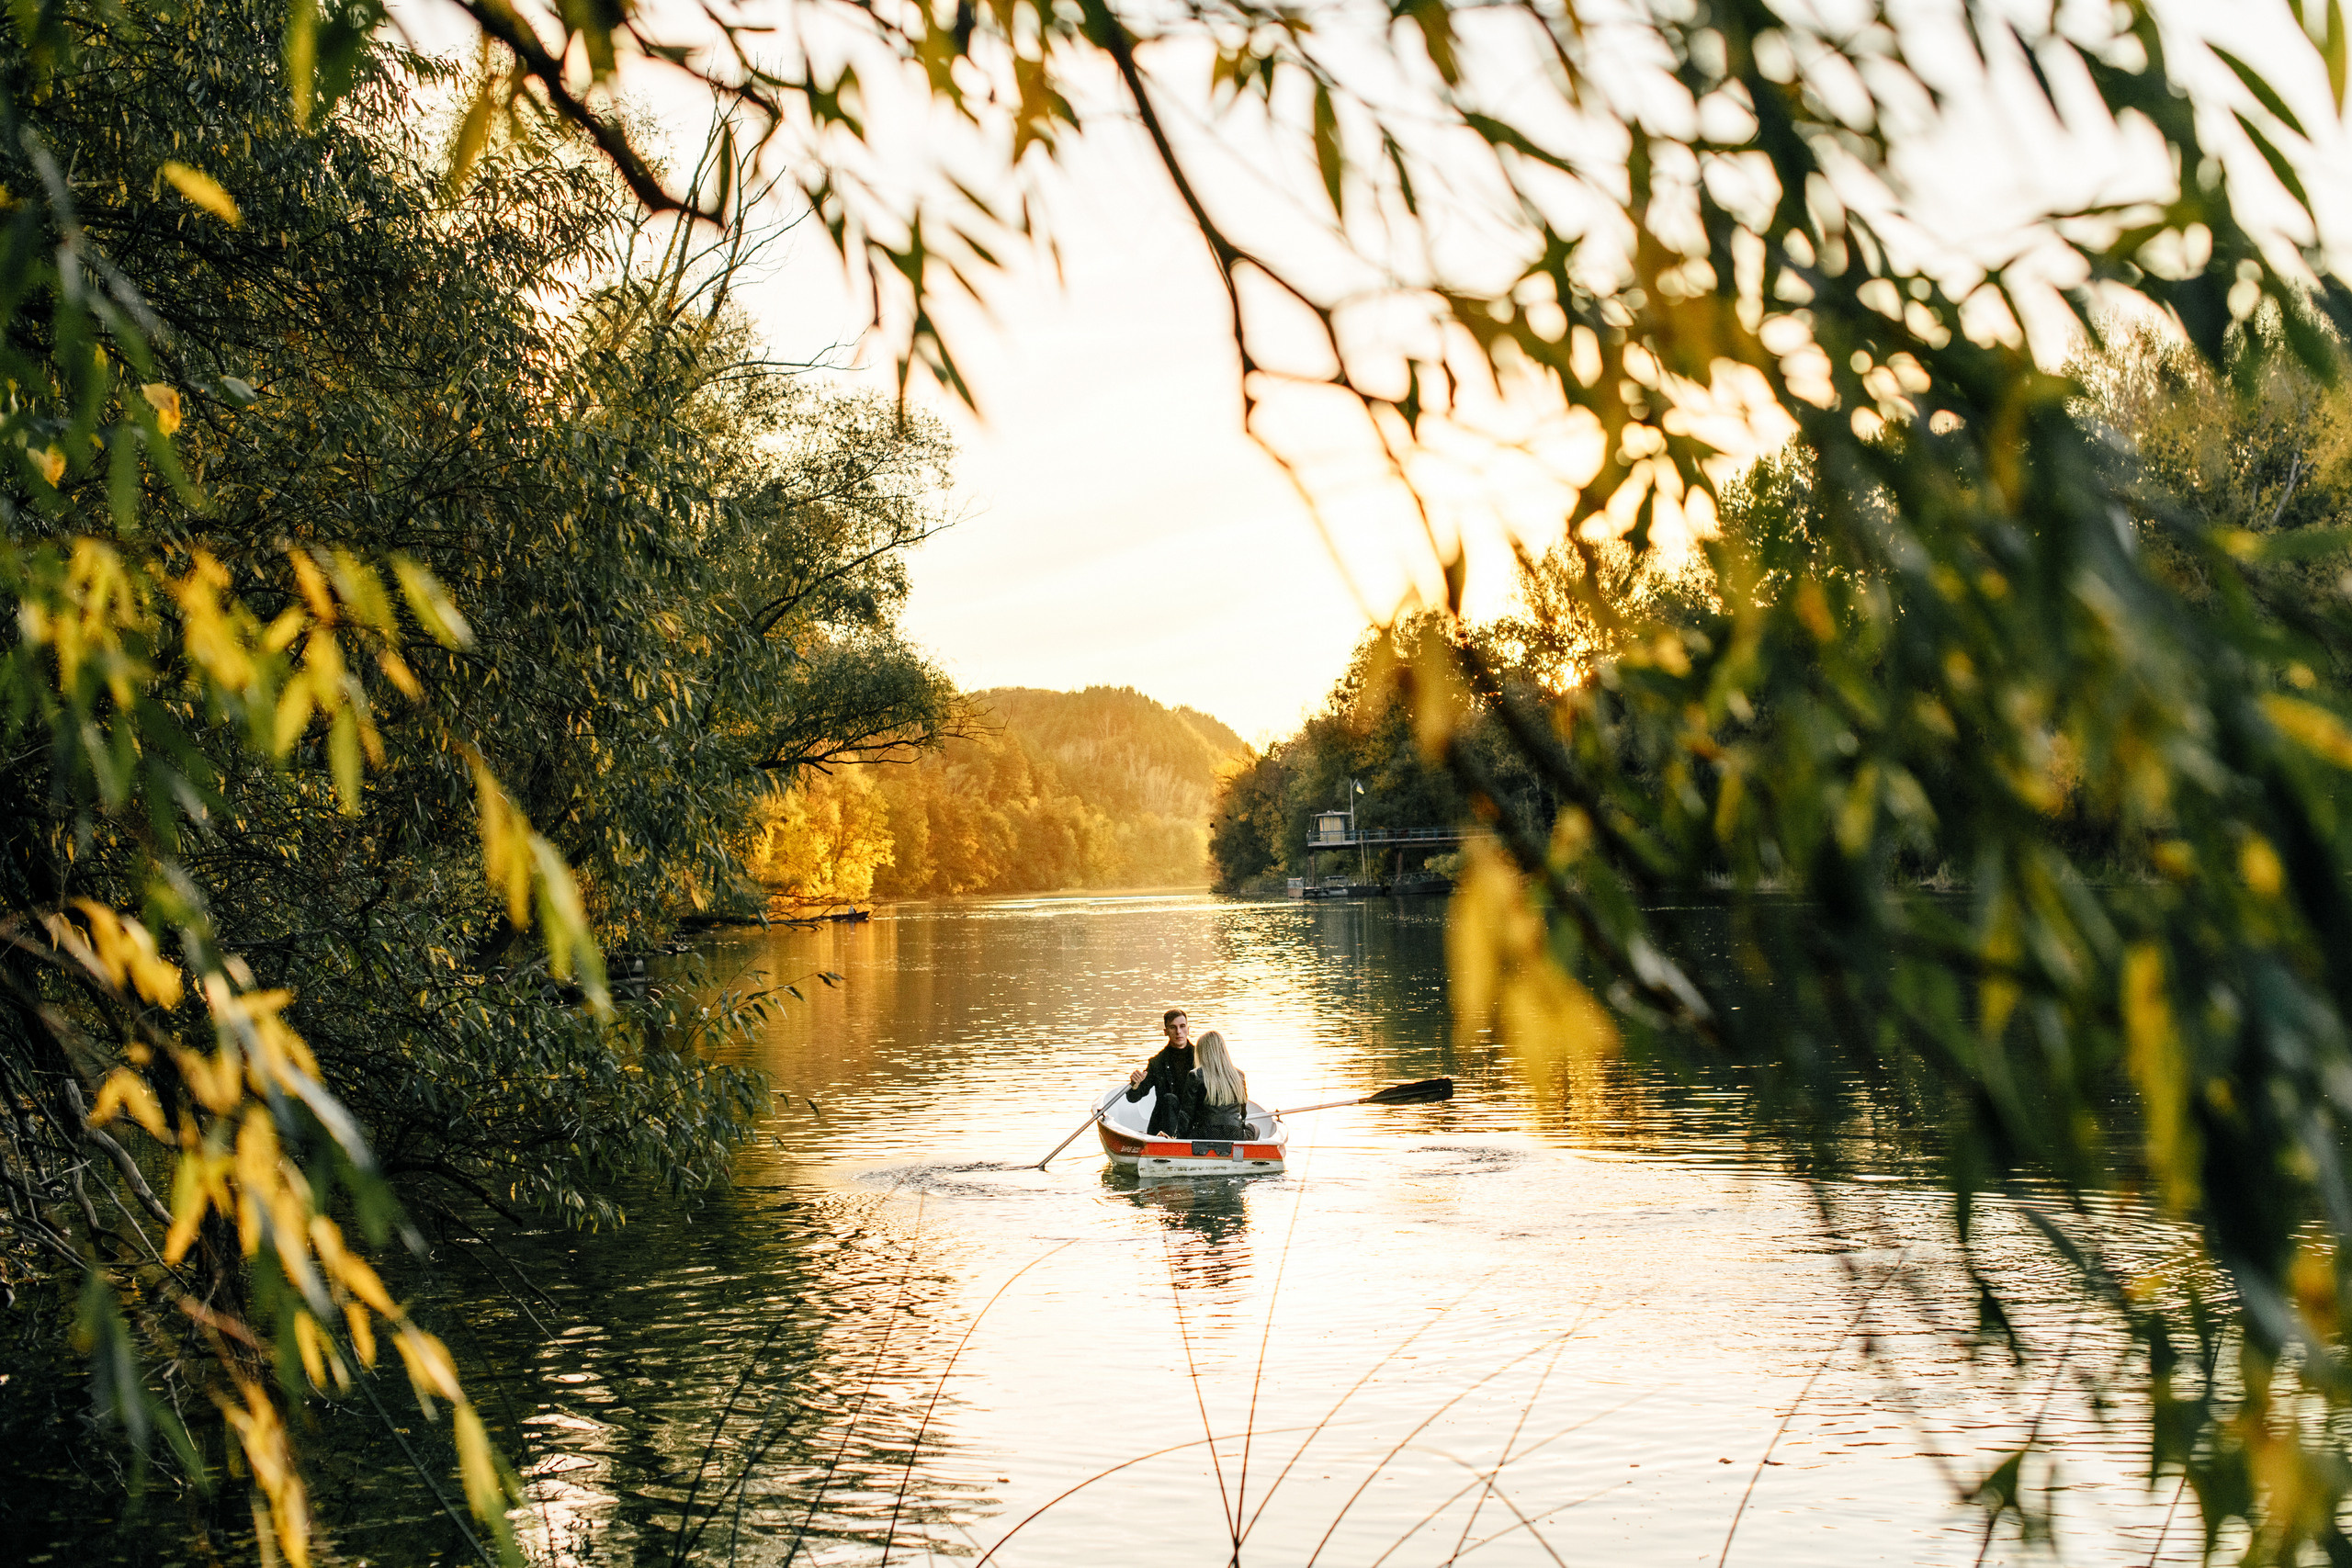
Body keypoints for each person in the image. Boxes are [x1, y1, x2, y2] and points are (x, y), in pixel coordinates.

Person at [1126, 1009, 1196, 1136]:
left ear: (1188, 1029)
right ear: (1165, 1032)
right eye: (1173, 1027)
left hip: (1193, 1123)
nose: (1178, 1032)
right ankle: (1169, 1142)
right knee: (1169, 1099)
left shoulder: (1202, 1058)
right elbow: (1133, 1097)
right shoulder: (1157, 1062)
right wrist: (1135, 1085)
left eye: (1182, 1026)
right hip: (1163, 1126)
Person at [1191, 1031, 1250, 1140]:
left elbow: (1187, 1113)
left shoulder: (1196, 1075)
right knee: (1255, 1128)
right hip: (1234, 1134)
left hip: (1206, 1134)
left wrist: (1178, 1138)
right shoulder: (1239, 1075)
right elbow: (1243, 1113)